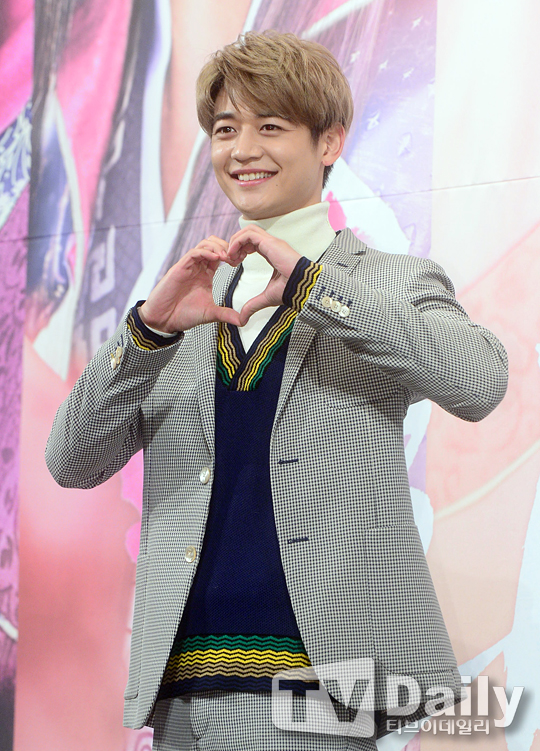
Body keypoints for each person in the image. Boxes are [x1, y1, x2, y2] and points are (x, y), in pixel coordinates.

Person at [45, 31, 508, 750]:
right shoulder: (186, 299)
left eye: (270, 126)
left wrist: (313, 288)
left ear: (329, 141)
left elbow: (479, 381)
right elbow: (70, 461)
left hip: (320, 692)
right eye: (225, 129)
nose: (242, 149)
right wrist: (147, 332)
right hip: (183, 692)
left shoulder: (388, 280)